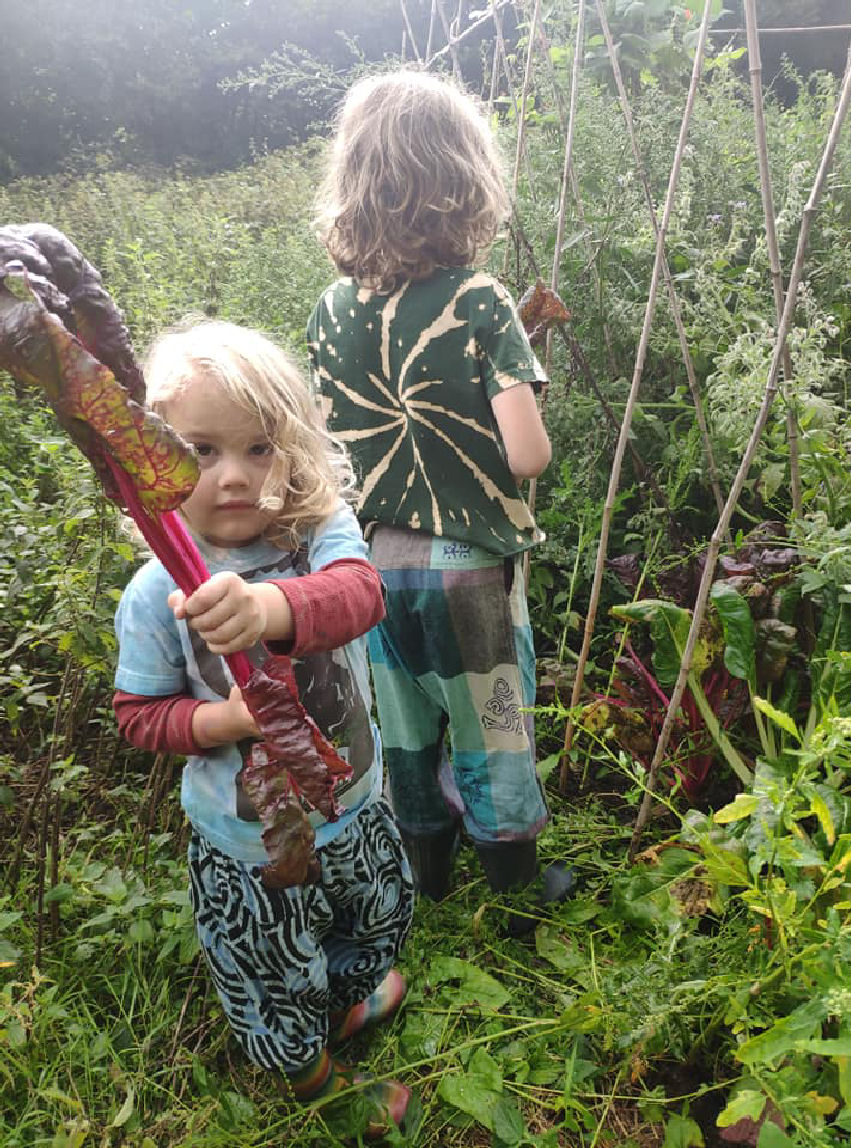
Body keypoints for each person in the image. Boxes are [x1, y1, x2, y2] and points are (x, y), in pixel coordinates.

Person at [112, 319, 414, 1135]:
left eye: (258, 447)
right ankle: (314, 1078)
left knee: (374, 917)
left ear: (297, 446)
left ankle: (346, 1005)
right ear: (150, 460)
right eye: (202, 451)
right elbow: (140, 716)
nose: (235, 475)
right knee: (274, 967)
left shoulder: (317, 533)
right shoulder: (156, 592)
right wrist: (228, 718)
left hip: (355, 803)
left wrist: (267, 607)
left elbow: (360, 594)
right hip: (250, 846)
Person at [308, 70, 567, 916]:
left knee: (406, 728)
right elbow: (526, 455)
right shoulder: (478, 299)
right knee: (494, 724)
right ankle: (515, 886)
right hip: (469, 567)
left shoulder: (329, 311)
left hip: (376, 564)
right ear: (464, 179)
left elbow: (335, 447)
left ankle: (428, 874)